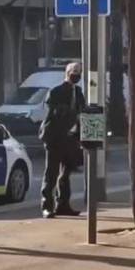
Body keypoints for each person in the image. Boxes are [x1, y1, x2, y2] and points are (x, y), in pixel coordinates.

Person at [39, 62, 85, 219]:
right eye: (74, 71)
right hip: (55, 137)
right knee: (51, 173)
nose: (77, 74)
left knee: (66, 173)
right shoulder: (56, 91)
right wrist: (72, 115)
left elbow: (83, 110)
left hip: (71, 139)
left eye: (79, 72)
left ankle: (63, 204)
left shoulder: (78, 92)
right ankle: (47, 206)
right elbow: (53, 112)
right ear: (67, 73)